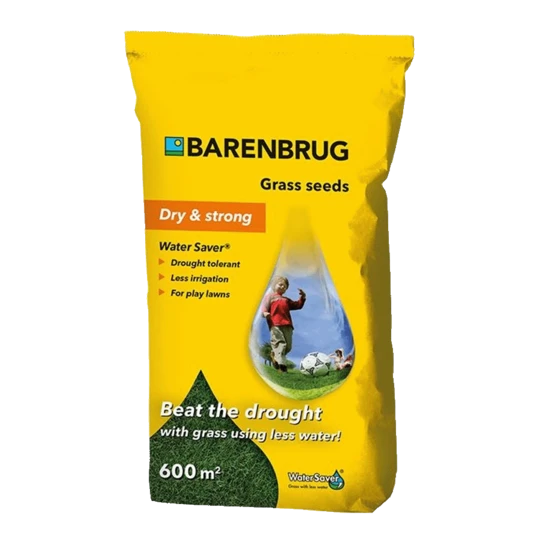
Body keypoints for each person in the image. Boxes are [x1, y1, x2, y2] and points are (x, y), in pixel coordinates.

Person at [262, 276, 306, 373]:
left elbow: (297, 305)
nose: (282, 287)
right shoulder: (270, 296)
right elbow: (264, 306)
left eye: (285, 286)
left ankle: (275, 354)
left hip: (287, 325)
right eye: (280, 284)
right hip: (275, 324)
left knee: (288, 347)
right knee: (281, 344)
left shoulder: (286, 300)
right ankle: (282, 367)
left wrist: (302, 297)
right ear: (274, 285)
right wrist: (265, 312)